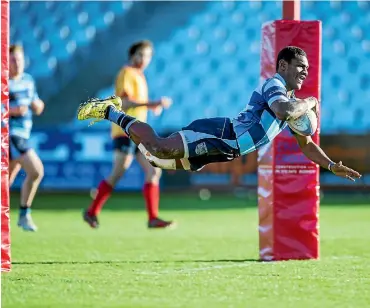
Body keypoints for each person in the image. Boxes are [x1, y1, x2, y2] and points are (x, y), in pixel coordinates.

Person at [77, 46, 361, 182]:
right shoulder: (274, 85)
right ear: (283, 66)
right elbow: (281, 110)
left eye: (308, 69)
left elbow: (307, 144)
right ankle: (110, 111)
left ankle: (116, 116)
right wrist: (311, 100)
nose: (305, 71)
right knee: (159, 149)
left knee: (157, 162)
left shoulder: (294, 105)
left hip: (225, 150)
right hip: (221, 133)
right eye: (300, 66)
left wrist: (331, 164)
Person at [83, 40, 175, 229]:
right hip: (124, 131)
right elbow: (124, 103)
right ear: (132, 55)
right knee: (118, 173)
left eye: (147, 55)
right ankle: (91, 212)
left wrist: (150, 107)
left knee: (153, 170)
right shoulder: (126, 73)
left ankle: (153, 218)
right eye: (140, 54)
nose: (144, 59)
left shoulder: (140, 76)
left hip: (139, 133)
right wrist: (152, 104)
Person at [9, 44, 45, 232]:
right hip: (11, 135)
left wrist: (38, 105)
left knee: (5, 183)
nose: (17, 63)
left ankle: (22, 216)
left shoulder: (28, 81)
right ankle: (24, 214)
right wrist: (11, 111)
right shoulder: (3, 82)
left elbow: (35, 102)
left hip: (24, 133)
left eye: (19, 59)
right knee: (36, 170)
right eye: (13, 59)